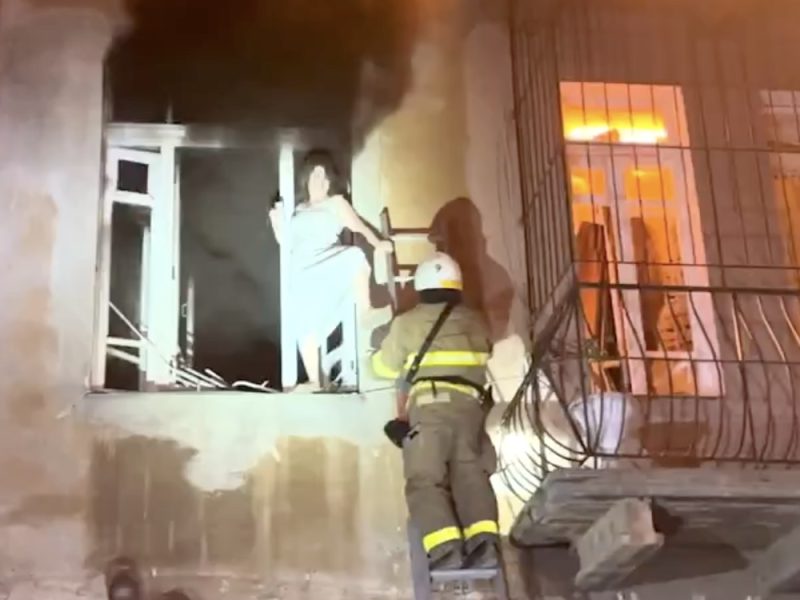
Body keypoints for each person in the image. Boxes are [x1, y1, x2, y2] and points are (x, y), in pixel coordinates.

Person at [369, 252, 500, 571]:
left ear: (420, 286)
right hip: (471, 410)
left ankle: (444, 548)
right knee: (470, 475)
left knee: (424, 479)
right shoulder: (477, 321)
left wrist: (376, 349)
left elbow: (382, 368)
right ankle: (485, 544)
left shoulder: (408, 323)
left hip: (430, 409)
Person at [269, 150, 393, 391]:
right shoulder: (299, 209)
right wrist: (277, 221)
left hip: (325, 261)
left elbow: (359, 227)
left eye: (325, 177)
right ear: (306, 179)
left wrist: (379, 244)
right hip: (301, 271)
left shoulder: (336, 203)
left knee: (354, 256)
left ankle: (366, 311)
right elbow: (287, 242)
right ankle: (314, 381)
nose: (321, 181)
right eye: (316, 176)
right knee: (304, 326)